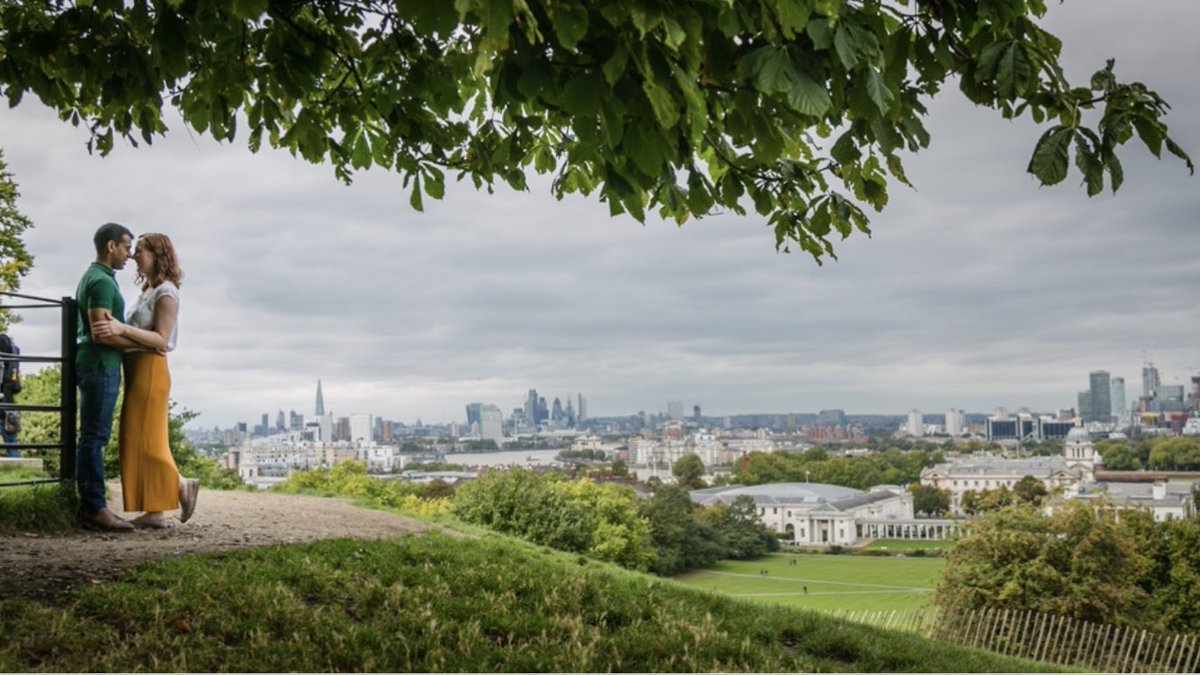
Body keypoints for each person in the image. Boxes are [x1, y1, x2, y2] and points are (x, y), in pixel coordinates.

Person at [92, 233, 198, 528]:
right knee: (135, 440)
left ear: (157, 254)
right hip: (137, 368)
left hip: (151, 369)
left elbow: (161, 340)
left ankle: (181, 486)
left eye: (139, 251)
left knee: (148, 442)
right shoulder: (148, 290)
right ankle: (154, 511)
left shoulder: (166, 292)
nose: (134, 256)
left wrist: (120, 328)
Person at [75, 223, 138, 530]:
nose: (131, 254)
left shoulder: (102, 279)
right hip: (100, 364)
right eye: (127, 247)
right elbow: (102, 335)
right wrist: (142, 343)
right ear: (111, 246)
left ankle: (94, 504)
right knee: (94, 437)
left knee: (93, 435)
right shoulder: (100, 281)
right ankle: (94, 507)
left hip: (102, 365)